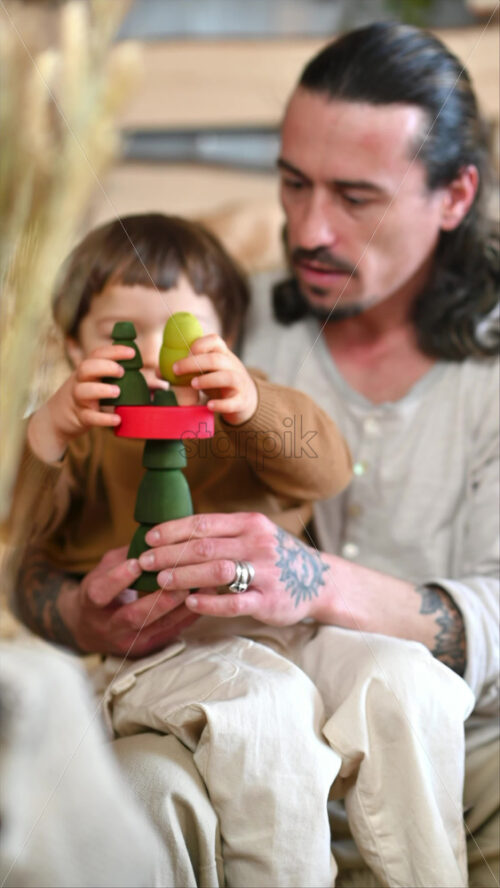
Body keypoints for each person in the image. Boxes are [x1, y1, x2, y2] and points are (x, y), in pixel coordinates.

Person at [10, 21, 498, 888]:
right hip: (195, 680)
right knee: (162, 773)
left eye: (356, 196)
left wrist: (317, 576)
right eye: (292, 181)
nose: (307, 228)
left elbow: (318, 462)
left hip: (447, 733)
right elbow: (33, 556)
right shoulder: (232, 316)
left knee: (414, 690)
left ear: (455, 196)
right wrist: (82, 610)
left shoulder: (247, 364)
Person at [7, 211, 352, 887]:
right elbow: (19, 525)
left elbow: (328, 470)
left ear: (227, 340)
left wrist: (252, 404)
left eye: (186, 329)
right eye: (120, 334)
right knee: (261, 707)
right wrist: (49, 426)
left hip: (276, 635)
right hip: (156, 656)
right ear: (74, 348)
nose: (160, 350)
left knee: (379, 686)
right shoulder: (82, 429)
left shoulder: (247, 405)